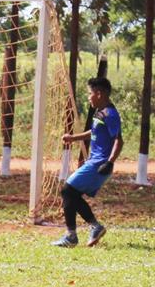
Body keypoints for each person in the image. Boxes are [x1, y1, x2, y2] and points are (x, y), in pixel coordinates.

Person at [52, 77, 123, 248]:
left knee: (68, 190)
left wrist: (110, 162)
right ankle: (93, 227)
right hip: (95, 162)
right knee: (72, 194)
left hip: (99, 164)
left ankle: (72, 236)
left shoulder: (110, 114)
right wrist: (73, 138)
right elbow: (95, 132)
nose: (89, 97)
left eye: (90, 94)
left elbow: (119, 140)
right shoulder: (101, 112)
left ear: (99, 94)